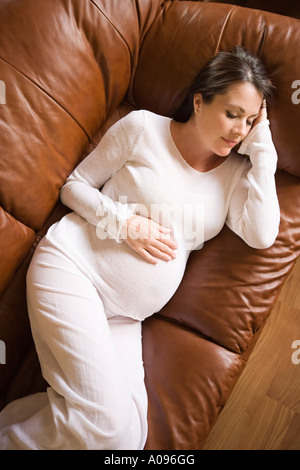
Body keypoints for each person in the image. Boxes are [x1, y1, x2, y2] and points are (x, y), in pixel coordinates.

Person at [0, 46, 280, 450]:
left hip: (125, 317)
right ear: (200, 102)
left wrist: (264, 153)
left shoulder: (237, 175)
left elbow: (262, 234)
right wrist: (125, 224)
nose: (239, 130)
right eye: (232, 113)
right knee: (106, 427)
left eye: (251, 120)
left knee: (128, 439)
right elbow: (74, 186)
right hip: (73, 269)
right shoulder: (143, 128)